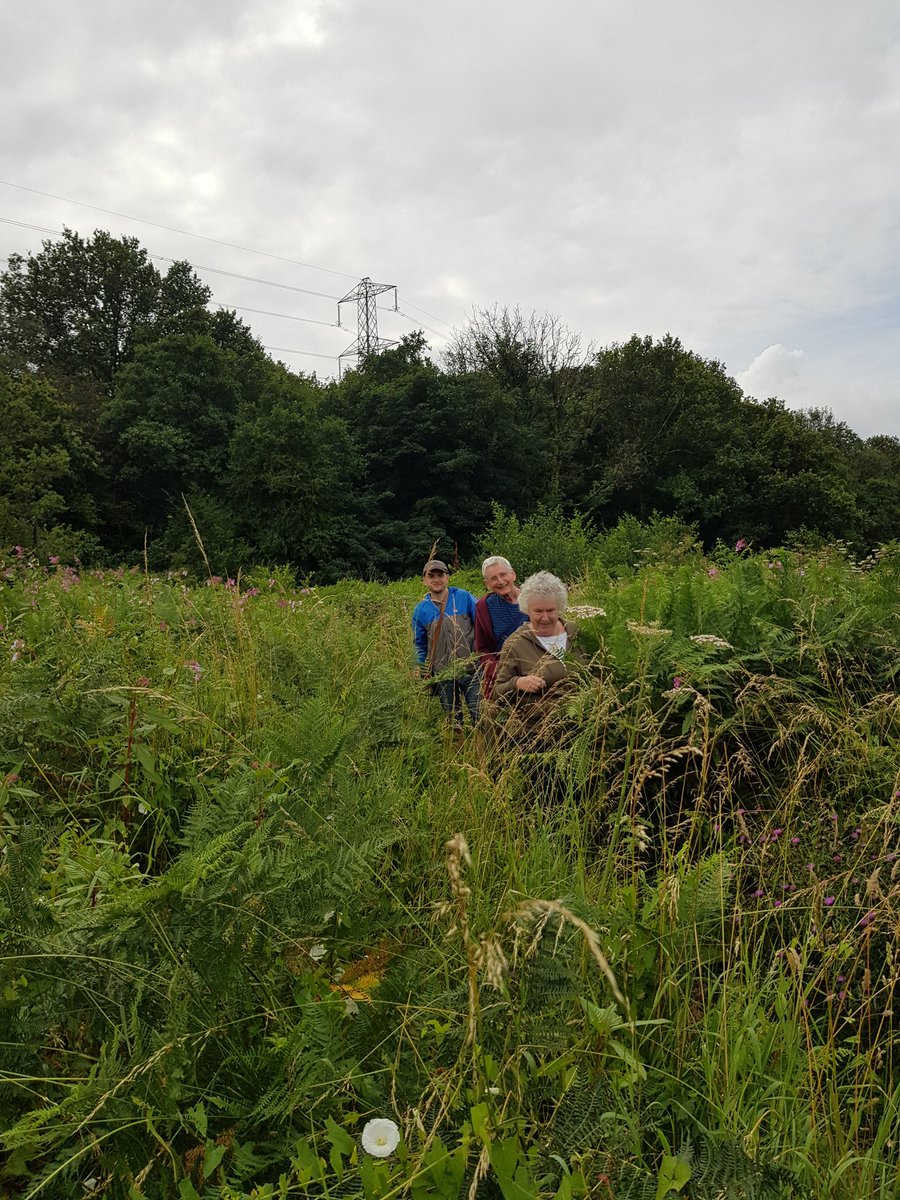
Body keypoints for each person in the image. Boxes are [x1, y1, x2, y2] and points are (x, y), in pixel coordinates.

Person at [493, 570, 587, 726]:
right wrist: (517, 683)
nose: (545, 617)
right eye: (538, 611)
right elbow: (497, 693)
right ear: (527, 610)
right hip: (538, 734)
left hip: (585, 725)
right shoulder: (515, 643)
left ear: (560, 607)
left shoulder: (575, 632)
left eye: (550, 610)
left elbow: (596, 672)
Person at [412, 559, 480, 729]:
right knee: (452, 721)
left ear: (447, 577)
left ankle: (483, 753)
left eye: (440, 575)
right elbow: (419, 643)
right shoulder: (421, 610)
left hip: (471, 669)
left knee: (480, 716)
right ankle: (456, 751)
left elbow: (482, 625)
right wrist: (419, 666)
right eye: (431, 576)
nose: (436, 579)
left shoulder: (464, 597)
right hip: (443, 674)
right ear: (424, 580)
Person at [474, 555, 529, 697]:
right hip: (503, 678)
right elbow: (482, 649)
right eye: (493, 578)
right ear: (487, 584)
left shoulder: (533, 599)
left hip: (534, 671)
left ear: (513, 575)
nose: (500, 581)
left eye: (503, 574)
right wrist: (497, 670)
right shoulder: (484, 607)